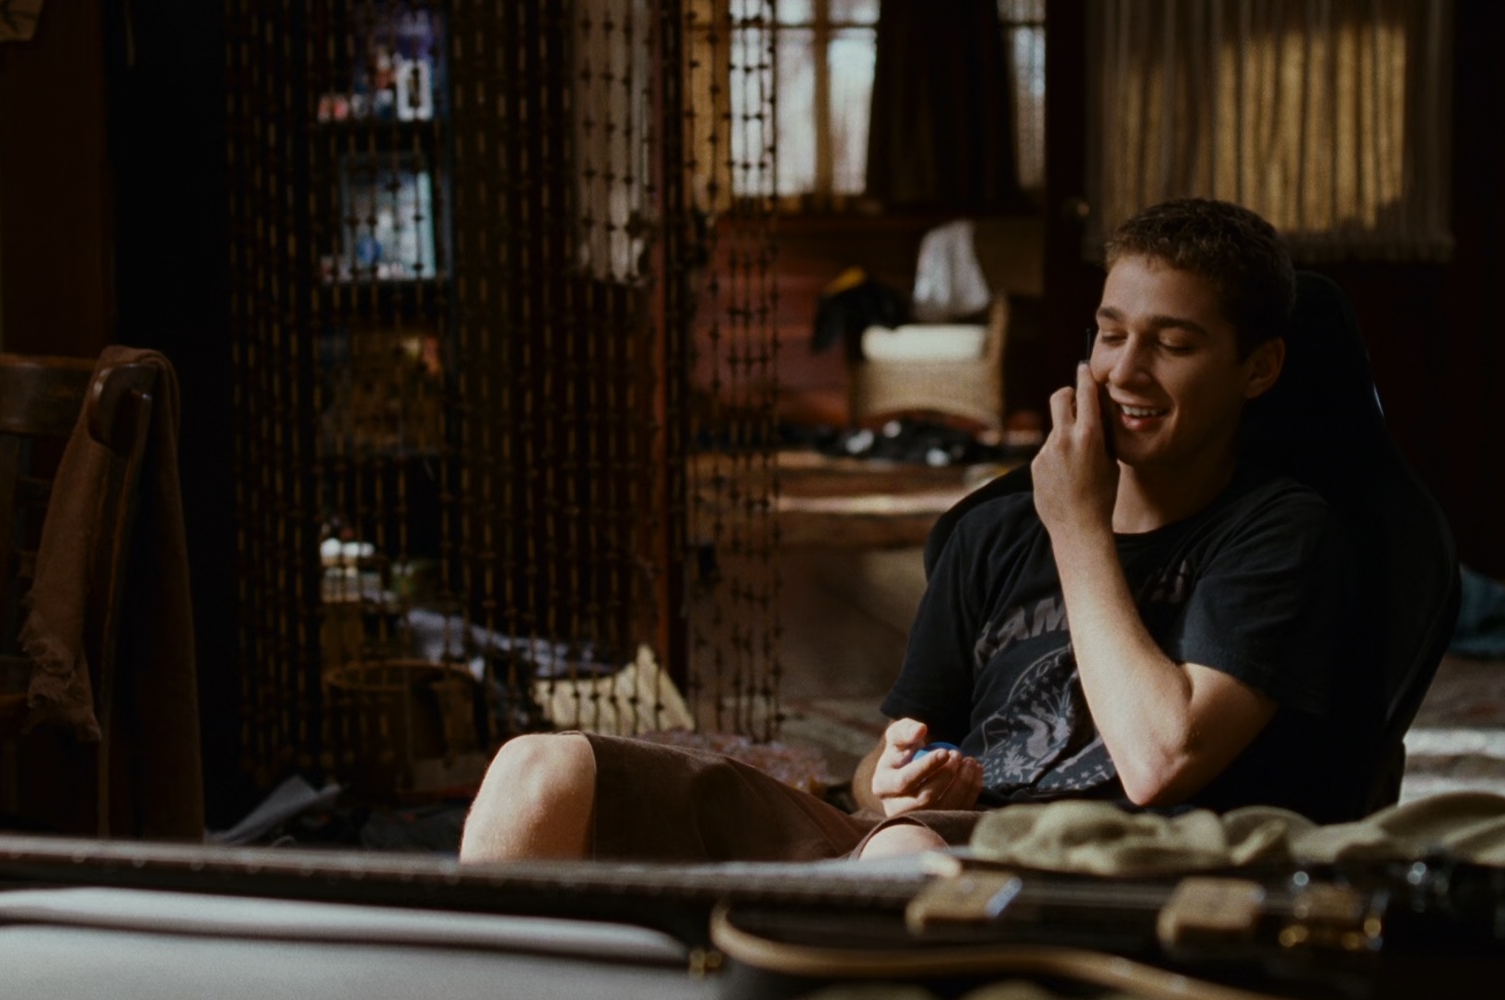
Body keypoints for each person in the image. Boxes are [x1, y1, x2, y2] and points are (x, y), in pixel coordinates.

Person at [460, 197, 1350, 865]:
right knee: (539, 770)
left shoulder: (1277, 532)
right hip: (902, 841)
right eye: (1111, 334)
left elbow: (1161, 762)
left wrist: (1080, 526)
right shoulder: (998, 530)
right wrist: (887, 780)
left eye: (1173, 344)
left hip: (1084, 869)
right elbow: (882, 764)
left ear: (1258, 368)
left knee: (904, 853)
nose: (1124, 370)